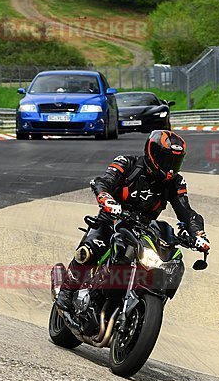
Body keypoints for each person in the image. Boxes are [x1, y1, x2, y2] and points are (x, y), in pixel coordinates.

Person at [55, 130, 210, 312]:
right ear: (152, 153)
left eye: (175, 162)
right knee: (89, 250)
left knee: (161, 261)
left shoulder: (175, 182)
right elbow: (103, 181)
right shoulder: (127, 163)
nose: (170, 167)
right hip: (111, 219)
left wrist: (198, 234)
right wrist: (106, 198)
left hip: (143, 229)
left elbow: (186, 212)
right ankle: (67, 291)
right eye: (166, 160)